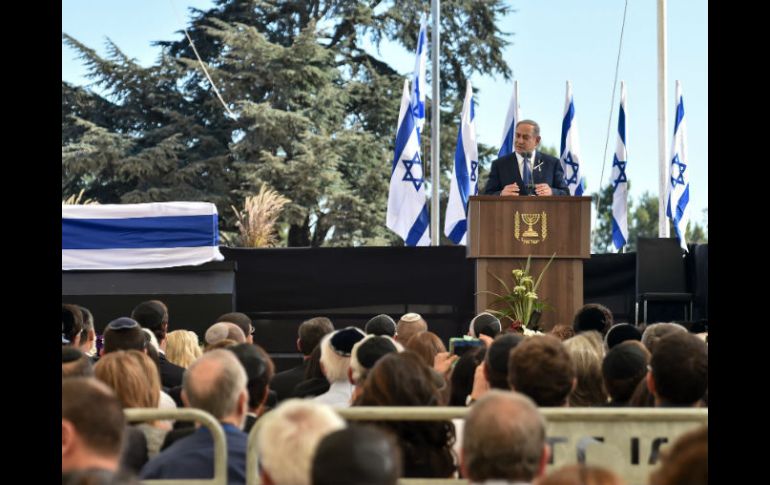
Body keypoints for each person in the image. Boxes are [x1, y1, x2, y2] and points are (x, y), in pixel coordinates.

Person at [483, 120, 569, 196]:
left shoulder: (552, 164)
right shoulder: (499, 165)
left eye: (525, 137)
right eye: (517, 136)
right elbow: (487, 195)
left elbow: (565, 193)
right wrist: (501, 194)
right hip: (510, 213)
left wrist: (552, 192)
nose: (519, 141)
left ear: (537, 140)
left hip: (543, 213)